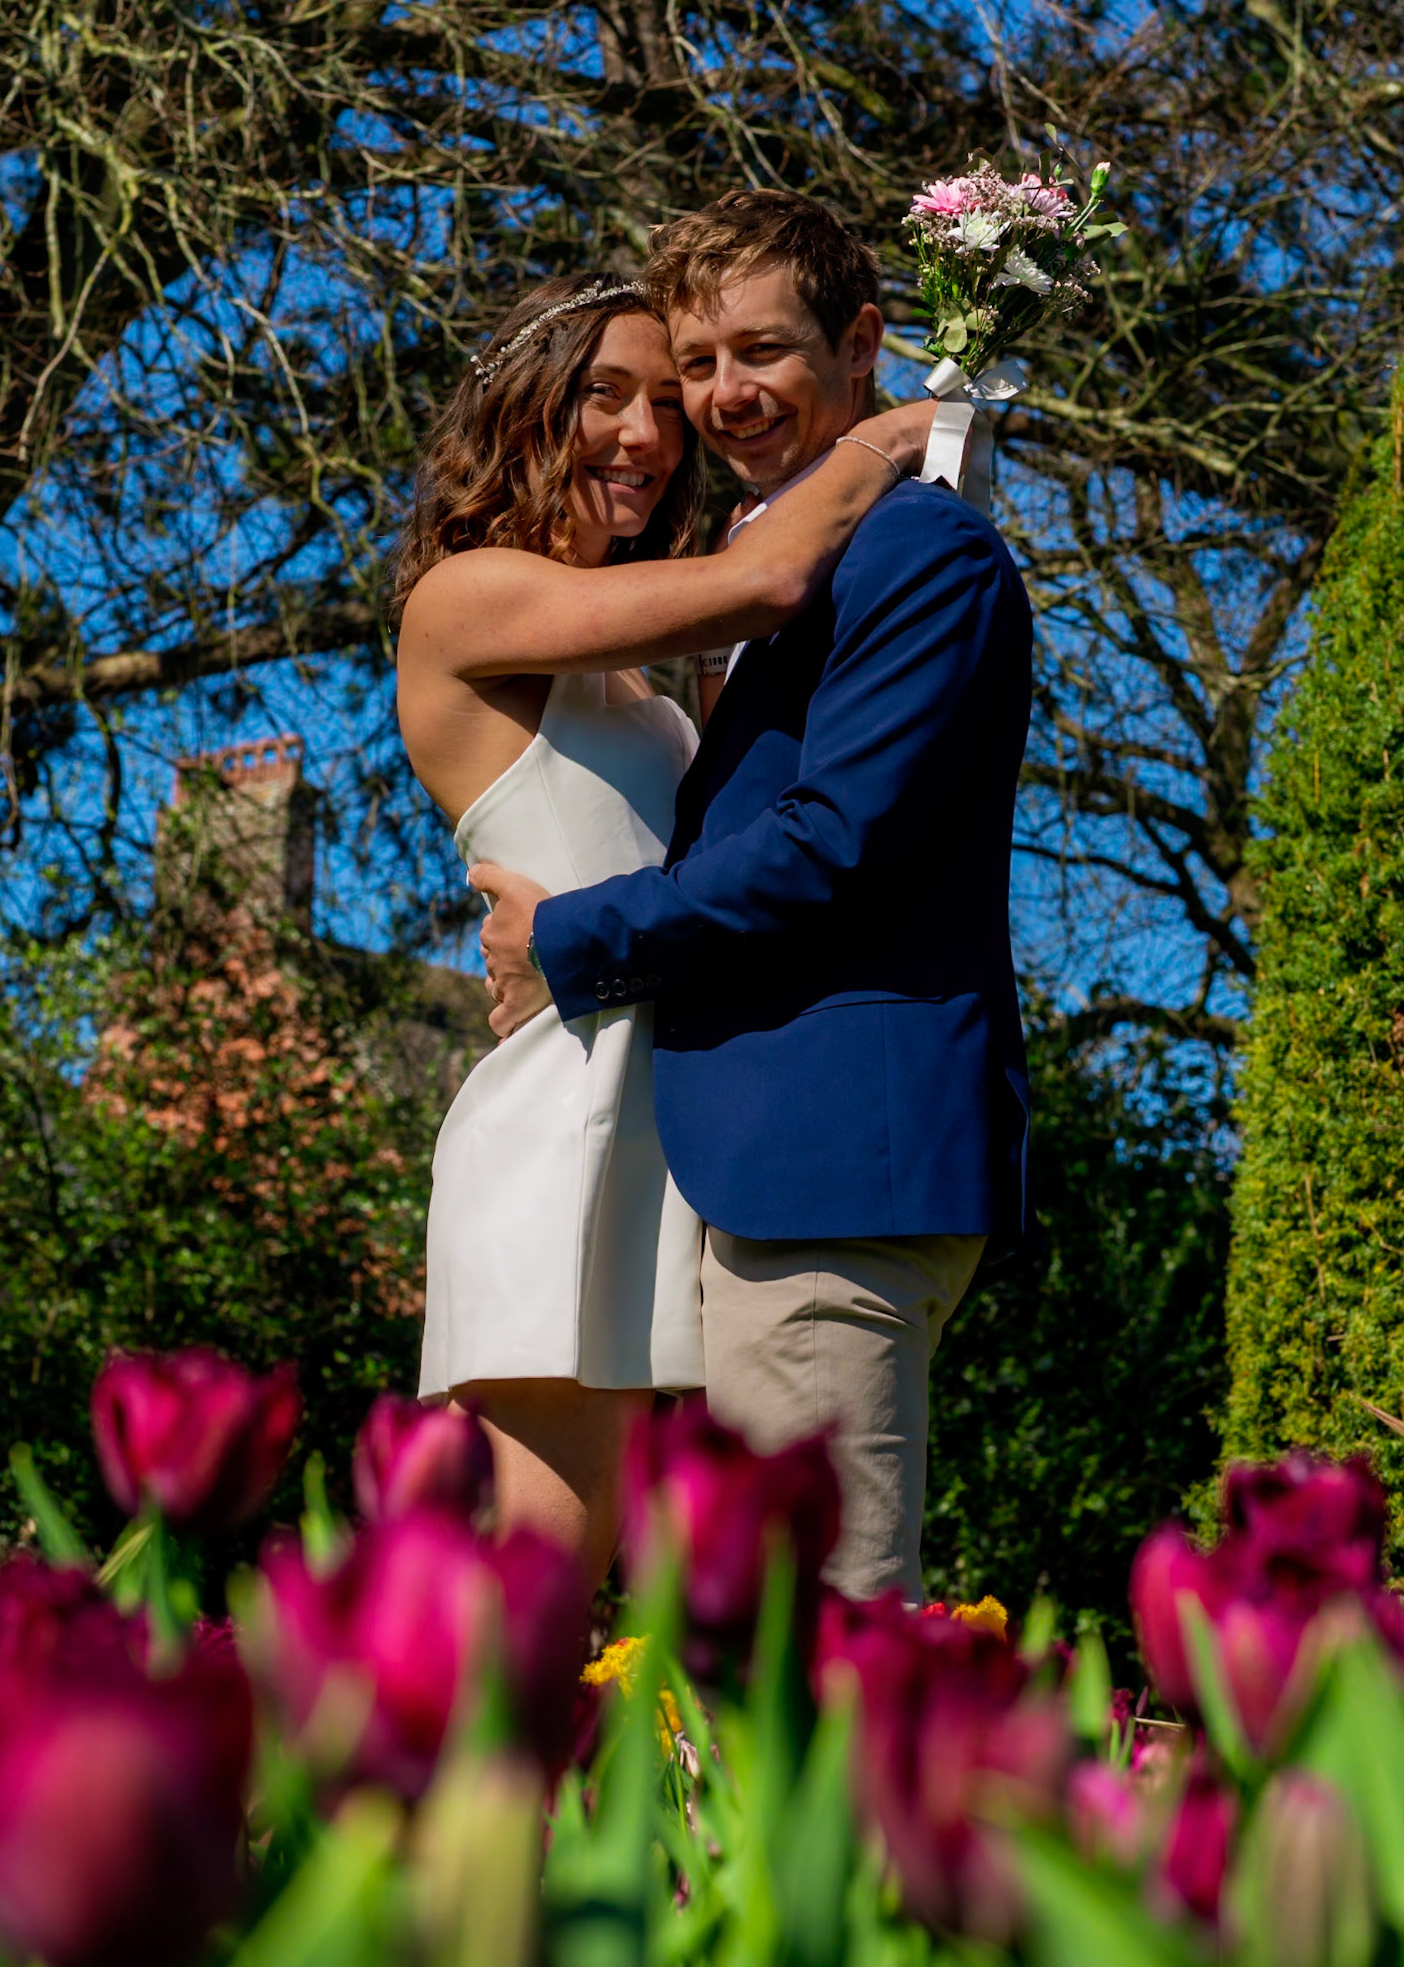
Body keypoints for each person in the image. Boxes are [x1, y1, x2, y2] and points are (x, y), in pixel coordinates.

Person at [475, 194, 1035, 1601]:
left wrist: (567, 936)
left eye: (762, 352)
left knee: (823, 1645)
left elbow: (829, 840)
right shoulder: (791, 567)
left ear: (861, 343)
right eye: (698, 361)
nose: (722, 397)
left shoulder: (917, 553)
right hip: (751, 1165)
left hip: (834, 1159)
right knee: (749, 1648)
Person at [393, 269, 937, 1587]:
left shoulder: (643, 670)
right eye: (605, 396)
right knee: (540, 1632)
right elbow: (766, 577)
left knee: (681, 1636)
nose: (647, 436)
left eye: (662, 403)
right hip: (560, 1142)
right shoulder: (467, 599)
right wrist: (899, 428)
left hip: (690, 1138)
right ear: (527, 408)